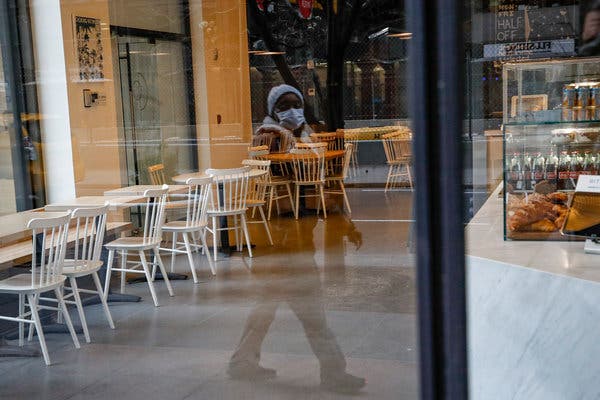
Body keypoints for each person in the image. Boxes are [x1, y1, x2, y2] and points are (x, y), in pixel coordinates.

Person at [227, 214, 366, 393]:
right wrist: (349, 229)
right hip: (294, 258)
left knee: (263, 312)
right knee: (314, 320)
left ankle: (241, 362)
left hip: (275, 256)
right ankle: (334, 373)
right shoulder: (298, 192)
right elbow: (327, 203)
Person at [254, 84, 313, 152]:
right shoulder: (268, 137)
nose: (292, 111)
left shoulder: (304, 133)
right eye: (284, 106)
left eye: (297, 105)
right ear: (273, 112)